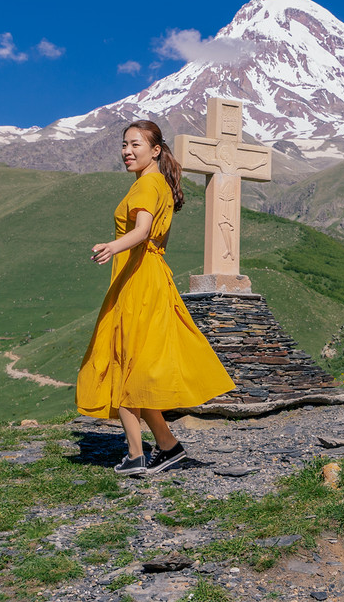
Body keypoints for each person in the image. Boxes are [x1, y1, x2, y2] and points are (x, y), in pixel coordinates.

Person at [76, 120, 235, 475]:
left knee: (128, 365)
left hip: (140, 279)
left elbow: (143, 230)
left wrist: (112, 246)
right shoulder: (156, 182)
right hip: (146, 276)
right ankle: (168, 446)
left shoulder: (148, 184)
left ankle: (136, 455)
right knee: (138, 366)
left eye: (135, 145)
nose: (127, 151)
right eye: (124, 145)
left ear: (156, 150)